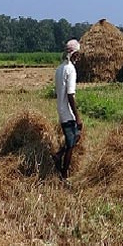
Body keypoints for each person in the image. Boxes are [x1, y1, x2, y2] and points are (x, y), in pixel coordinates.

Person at [54, 39, 83, 182]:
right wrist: (77, 117)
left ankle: (59, 155)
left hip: (61, 109)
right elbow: (70, 95)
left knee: (75, 137)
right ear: (74, 54)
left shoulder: (59, 69)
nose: (78, 57)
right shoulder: (71, 69)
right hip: (68, 112)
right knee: (71, 144)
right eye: (77, 54)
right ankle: (63, 175)